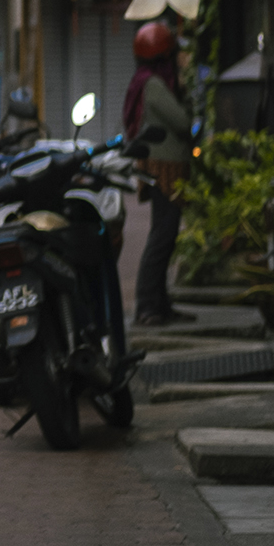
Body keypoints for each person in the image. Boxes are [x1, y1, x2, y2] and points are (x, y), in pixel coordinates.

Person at [124, 20, 194, 327]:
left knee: (165, 236)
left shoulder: (149, 80)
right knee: (162, 237)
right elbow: (181, 121)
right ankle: (147, 307)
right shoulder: (154, 84)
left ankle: (160, 305)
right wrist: (185, 91)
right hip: (164, 170)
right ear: (163, 57)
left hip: (163, 167)